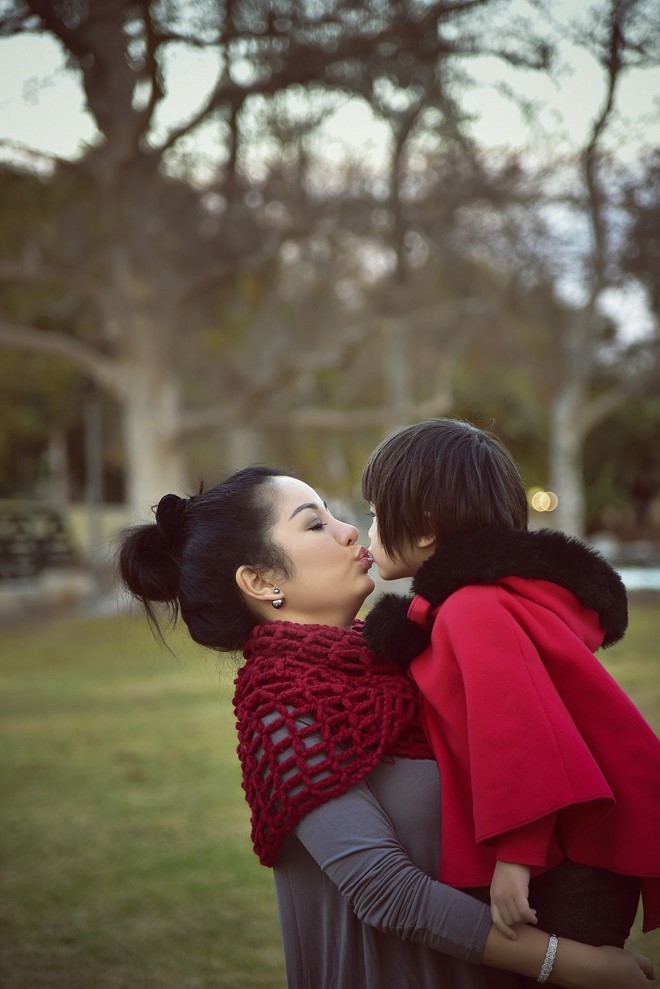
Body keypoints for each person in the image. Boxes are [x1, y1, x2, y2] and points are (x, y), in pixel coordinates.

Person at [118, 464, 655, 989]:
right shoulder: (282, 705)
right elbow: (385, 891)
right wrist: (568, 964)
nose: (349, 529)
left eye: (333, 514)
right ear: (261, 581)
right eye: (314, 523)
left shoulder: (407, 663)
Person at [361, 418, 660, 987]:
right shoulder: (479, 605)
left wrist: (515, 860)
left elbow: (519, 735)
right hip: (565, 857)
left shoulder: (473, 610)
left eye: (377, 513)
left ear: (424, 529)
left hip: (562, 865)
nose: (369, 529)